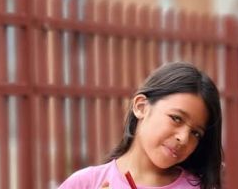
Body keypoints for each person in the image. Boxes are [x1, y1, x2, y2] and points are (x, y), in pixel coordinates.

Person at [58, 61, 223, 189]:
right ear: (141, 106)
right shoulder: (86, 183)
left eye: (196, 133)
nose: (183, 138)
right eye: (176, 118)